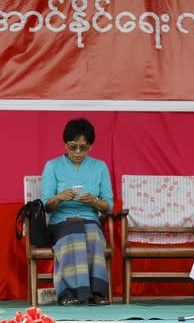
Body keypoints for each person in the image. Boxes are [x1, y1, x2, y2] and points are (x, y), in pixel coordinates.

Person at [41, 118, 113, 306]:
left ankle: (97, 292)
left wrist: (95, 202)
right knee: (74, 232)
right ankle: (68, 293)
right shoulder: (52, 166)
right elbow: (45, 205)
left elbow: (109, 205)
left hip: (90, 220)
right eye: (73, 147)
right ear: (65, 144)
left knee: (93, 235)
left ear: (91, 146)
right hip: (61, 222)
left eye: (84, 147)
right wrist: (59, 197)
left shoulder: (100, 167)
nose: (78, 152)